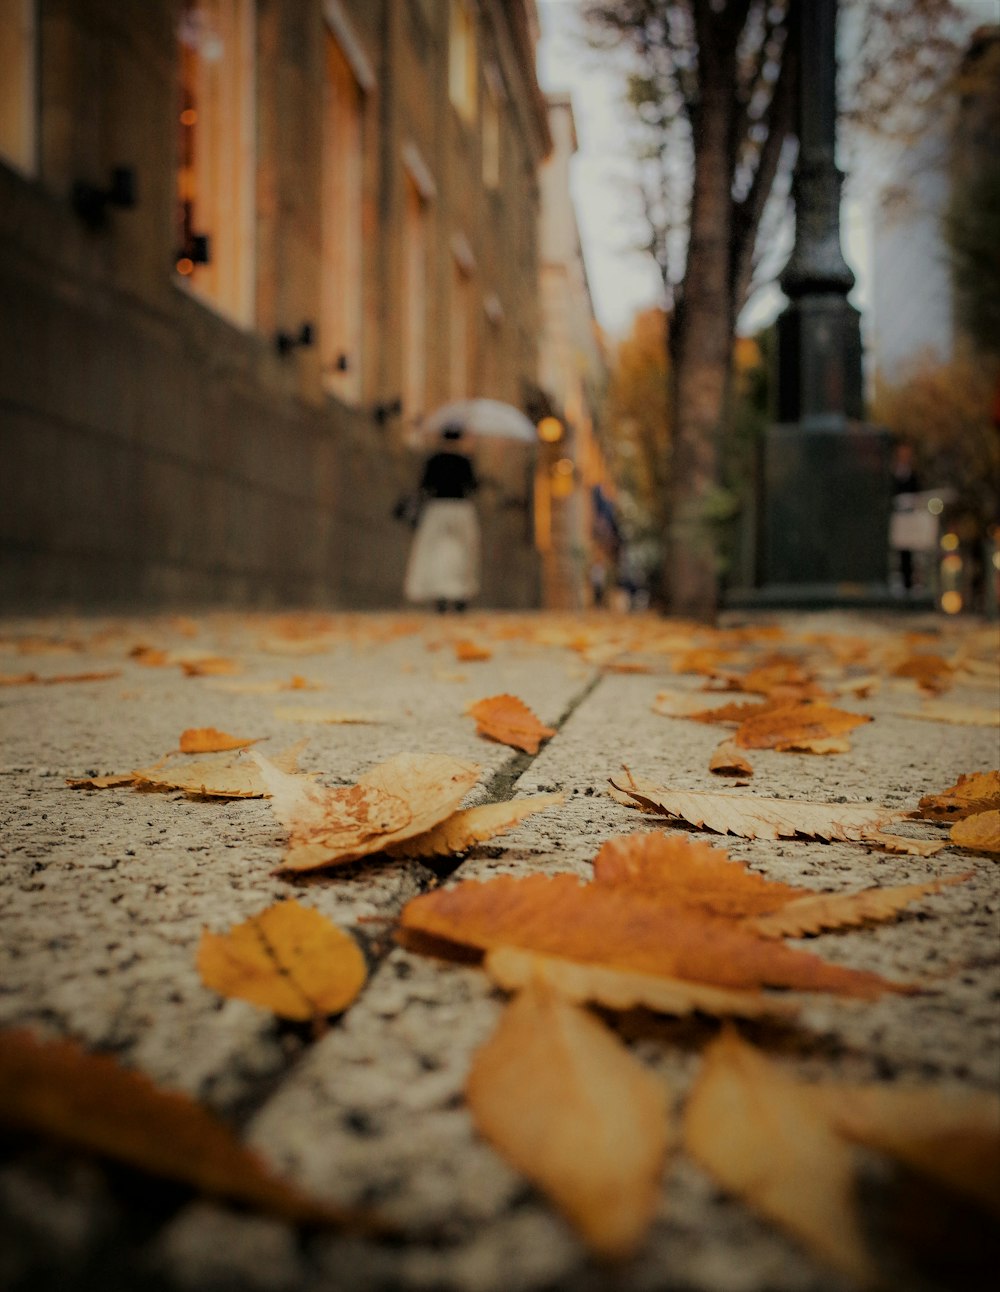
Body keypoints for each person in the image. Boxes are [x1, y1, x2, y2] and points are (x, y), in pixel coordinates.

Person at [404, 426, 480, 612]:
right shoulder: (465, 461)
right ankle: (459, 592)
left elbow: (424, 485)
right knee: (461, 552)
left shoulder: (434, 460)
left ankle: (442, 594)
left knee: (436, 551)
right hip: (460, 509)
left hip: (438, 509)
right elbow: (473, 486)